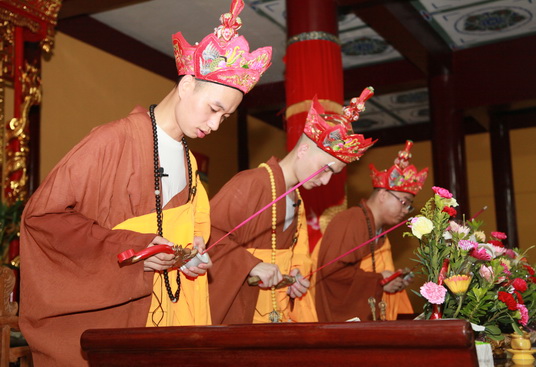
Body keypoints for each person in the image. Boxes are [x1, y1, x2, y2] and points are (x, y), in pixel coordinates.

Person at [19, 0, 272, 365]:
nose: (216, 125)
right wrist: (133, 250)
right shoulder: (112, 140)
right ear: (186, 85)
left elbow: (170, 236)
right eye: (214, 109)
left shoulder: (187, 160)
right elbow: (42, 219)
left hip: (159, 324)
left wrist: (185, 258)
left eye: (227, 117)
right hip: (106, 323)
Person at [207, 88, 376, 324]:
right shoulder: (252, 183)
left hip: (272, 313)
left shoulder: (295, 199)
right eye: (326, 168)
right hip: (237, 313)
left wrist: (292, 277)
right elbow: (206, 237)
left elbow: (281, 257)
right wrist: (250, 266)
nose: (326, 180)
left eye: (333, 175)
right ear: (304, 148)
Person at [313, 140, 428, 322]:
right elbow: (331, 273)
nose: (406, 211)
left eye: (409, 207)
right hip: (339, 320)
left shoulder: (377, 229)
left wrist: (391, 281)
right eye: (404, 202)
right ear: (382, 195)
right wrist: (378, 280)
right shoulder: (350, 221)